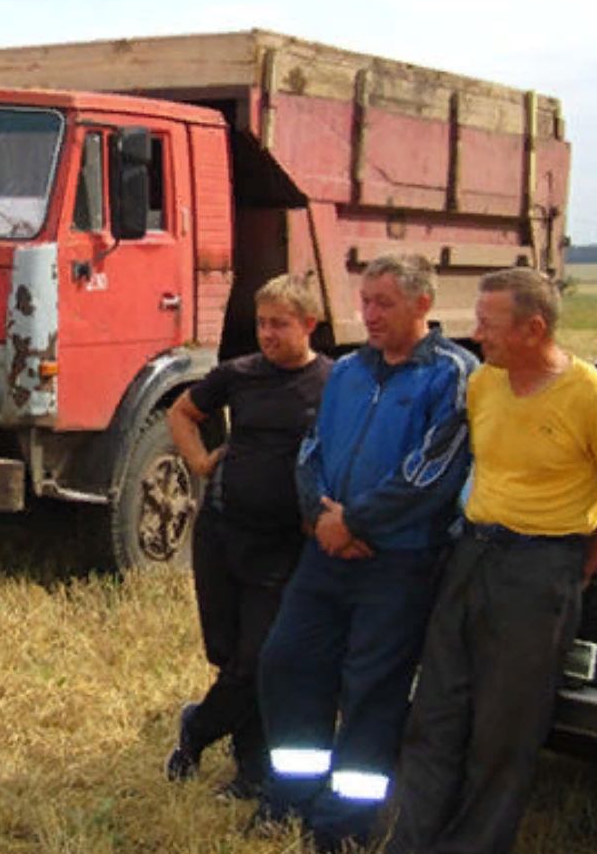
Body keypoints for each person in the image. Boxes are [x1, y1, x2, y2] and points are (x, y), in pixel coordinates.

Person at [386, 267, 597, 854]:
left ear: (535, 329)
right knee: (436, 711)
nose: (478, 335)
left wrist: (579, 567)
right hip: (472, 556)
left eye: (491, 325)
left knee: (503, 733)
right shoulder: (485, 384)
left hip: (540, 573)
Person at [252, 254, 477, 852]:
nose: (369, 315)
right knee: (287, 663)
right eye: (365, 301)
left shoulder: (454, 374)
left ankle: (343, 823)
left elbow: (433, 473)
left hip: (399, 563)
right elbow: (312, 449)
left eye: (384, 304)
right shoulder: (349, 370)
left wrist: (355, 521)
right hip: (326, 554)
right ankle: (290, 797)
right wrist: (324, 519)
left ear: (422, 305)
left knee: (371, 690)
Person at [164, 275, 334, 800]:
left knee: (259, 659)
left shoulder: (333, 381)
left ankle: (199, 730)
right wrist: (197, 460)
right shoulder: (238, 374)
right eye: (262, 323)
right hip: (221, 533)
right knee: (228, 655)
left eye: (279, 324)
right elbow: (182, 412)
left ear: (309, 325)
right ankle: (248, 767)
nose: (267, 334)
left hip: (282, 543)